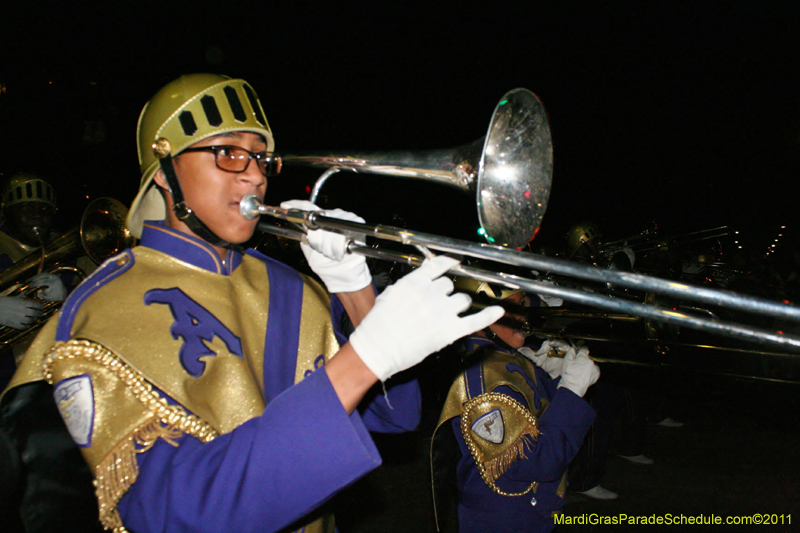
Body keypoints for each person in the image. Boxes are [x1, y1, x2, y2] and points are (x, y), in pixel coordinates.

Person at [30, 73, 503, 533]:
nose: (255, 175)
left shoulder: (289, 285)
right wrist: (364, 360)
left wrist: (354, 286)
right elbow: (171, 513)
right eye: (229, 153)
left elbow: (396, 415)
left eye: (260, 158)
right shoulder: (106, 306)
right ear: (164, 171)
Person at [432, 278, 598, 533]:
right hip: (504, 519)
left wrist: (554, 379)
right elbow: (536, 461)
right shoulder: (482, 381)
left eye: (522, 303)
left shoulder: (501, 354)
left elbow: (534, 413)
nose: (523, 315)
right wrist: (571, 392)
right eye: (512, 308)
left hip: (527, 510)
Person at [0, 173, 69, 390]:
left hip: (60, 377)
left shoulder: (72, 251)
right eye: (25, 208)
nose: (37, 216)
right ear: (6, 214)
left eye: (44, 209)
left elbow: (107, 311)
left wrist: (69, 297)